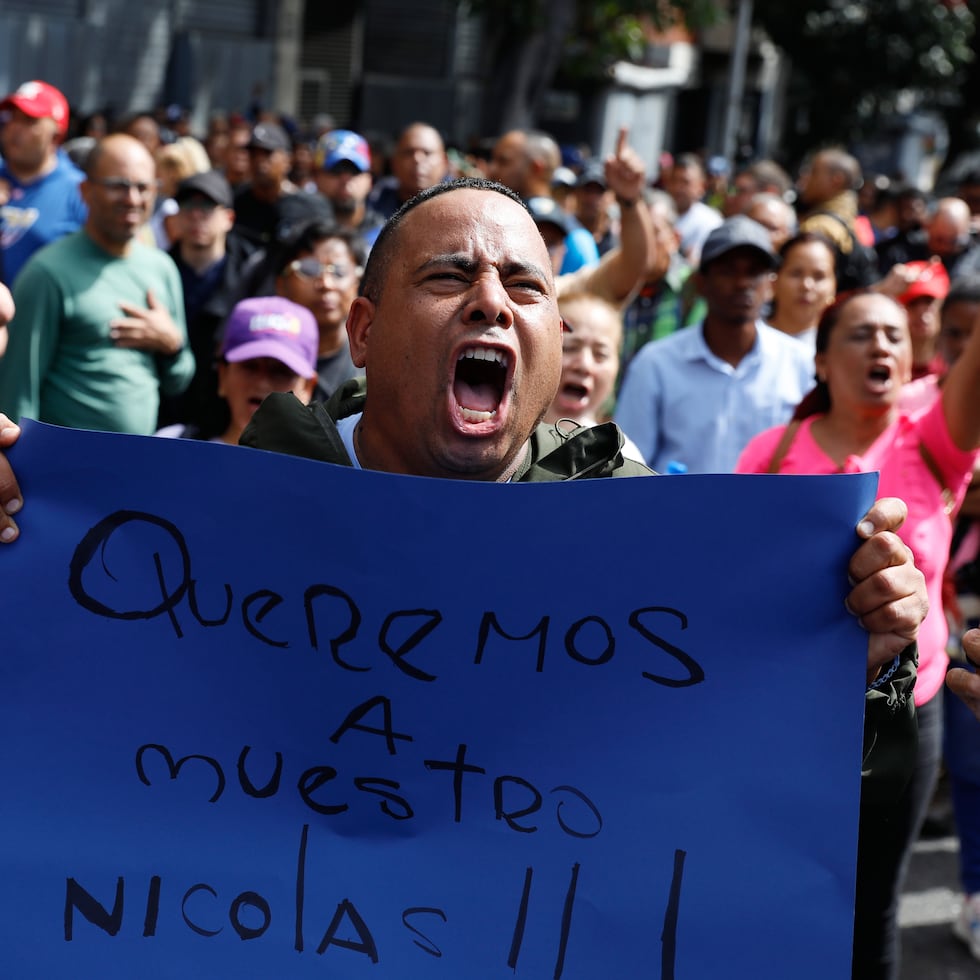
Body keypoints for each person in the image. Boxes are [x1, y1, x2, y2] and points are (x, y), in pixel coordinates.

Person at [735, 289, 980, 979]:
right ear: (820, 360)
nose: (881, 346)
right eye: (861, 334)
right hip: (788, 718)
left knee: (871, 911)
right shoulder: (770, 451)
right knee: (777, 898)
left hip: (909, 715)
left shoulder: (934, 444)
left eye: (896, 336)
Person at [0, 134, 194, 435]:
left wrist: (172, 346)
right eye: (118, 186)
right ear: (86, 190)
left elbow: (178, 381)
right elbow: (18, 389)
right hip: (63, 460)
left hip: (139, 457)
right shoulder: (47, 272)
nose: (132, 199)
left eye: (143, 187)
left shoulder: (162, 268)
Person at [615, 215, 814, 473]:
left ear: (770, 285)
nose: (742, 283)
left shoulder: (800, 364)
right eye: (727, 271)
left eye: (754, 272)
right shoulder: (655, 365)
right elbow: (628, 468)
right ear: (700, 283)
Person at [159, 170, 259, 434]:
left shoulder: (253, 275)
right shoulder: (155, 271)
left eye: (206, 206)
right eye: (187, 206)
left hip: (224, 418)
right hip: (165, 412)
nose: (196, 215)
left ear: (229, 218)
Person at [156, 296, 317, 445]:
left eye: (281, 372)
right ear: (223, 374)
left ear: (307, 387)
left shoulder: (324, 466)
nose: (262, 383)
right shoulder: (169, 447)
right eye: (250, 366)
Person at [0, 80, 86, 289]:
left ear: (56, 135)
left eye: (29, 121)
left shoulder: (80, 190)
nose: (14, 128)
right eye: (11, 118)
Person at [274, 221, 366, 402]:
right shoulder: (260, 359)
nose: (325, 283)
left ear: (357, 283)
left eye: (339, 272)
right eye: (308, 270)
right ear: (281, 284)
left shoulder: (376, 363)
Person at [488, 128, 600, 274]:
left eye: (503, 161)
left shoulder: (576, 241)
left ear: (536, 168)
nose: (492, 169)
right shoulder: (490, 222)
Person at [766, 231, 838, 351]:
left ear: (834, 286)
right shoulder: (747, 341)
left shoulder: (839, 350)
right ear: (774, 282)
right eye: (796, 274)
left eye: (819, 276)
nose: (806, 286)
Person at [313, 129, 385, 248]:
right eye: (336, 170)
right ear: (316, 177)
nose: (345, 179)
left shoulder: (387, 236)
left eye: (354, 170)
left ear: (370, 179)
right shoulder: (304, 236)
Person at [368, 122, 449, 220]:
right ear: (394, 162)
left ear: (444, 162)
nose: (417, 159)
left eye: (427, 153)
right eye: (408, 153)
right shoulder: (373, 202)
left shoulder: (456, 206)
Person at [666, 153, 723, 265]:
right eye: (674, 180)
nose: (678, 188)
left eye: (685, 182)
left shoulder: (711, 222)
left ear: (701, 186)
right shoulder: (657, 214)